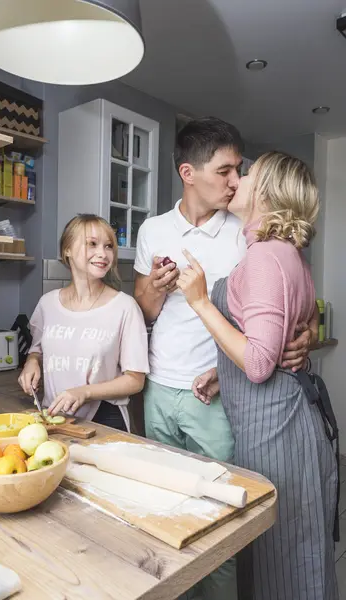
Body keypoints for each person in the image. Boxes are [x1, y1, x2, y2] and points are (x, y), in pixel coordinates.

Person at [134, 117, 316, 599]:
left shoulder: (249, 232)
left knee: (222, 523)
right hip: (160, 386)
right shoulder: (153, 230)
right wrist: (153, 288)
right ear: (189, 173)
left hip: (219, 395)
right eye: (225, 171)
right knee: (168, 513)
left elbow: (292, 306)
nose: (235, 181)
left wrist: (303, 338)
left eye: (241, 171)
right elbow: (142, 309)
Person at [177, 151, 338, 600]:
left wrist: (200, 301)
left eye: (247, 173)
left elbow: (259, 363)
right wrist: (221, 371)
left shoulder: (266, 257)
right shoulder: (285, 254)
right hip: (284, 424)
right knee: (294, 559)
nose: (238, 180)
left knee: (284, 563)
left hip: (278, 434)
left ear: (265, 191)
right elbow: (265, 338)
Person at [19, 214, 149, 431]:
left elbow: (135, 380)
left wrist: (84, 392)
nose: (103, 254)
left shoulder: (125, 307)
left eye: (108, 246)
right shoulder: (47, 304)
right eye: (92, 244)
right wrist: (31, 361)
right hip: (53, 418)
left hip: (105, 419)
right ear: (67, 250)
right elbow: (37, 349)